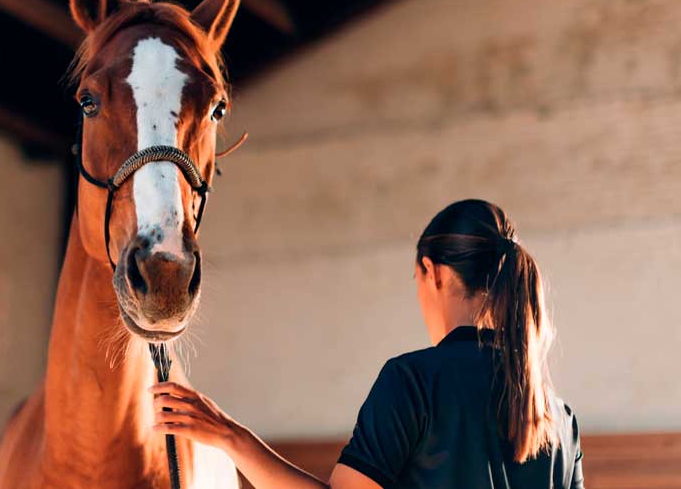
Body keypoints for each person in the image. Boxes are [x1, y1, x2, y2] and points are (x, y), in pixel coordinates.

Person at [151, 199, 584, 488]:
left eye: (416, 279)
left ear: (433, 272)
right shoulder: (560, 420)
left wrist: (229, 436)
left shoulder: (412, 381)